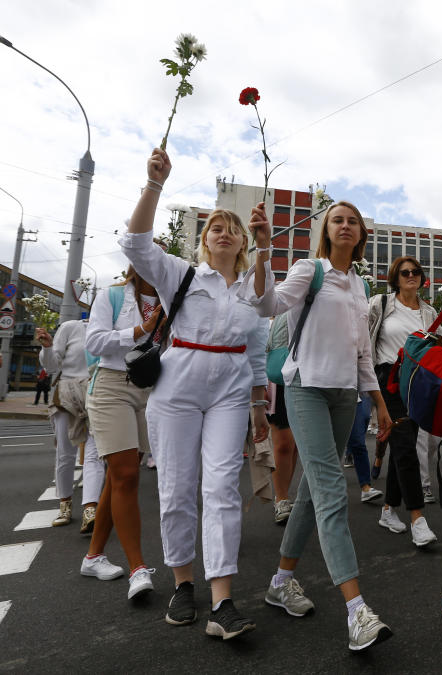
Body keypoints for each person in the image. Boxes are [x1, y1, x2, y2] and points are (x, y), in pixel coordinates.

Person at [120, 148, 269, 639]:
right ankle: (183, 582)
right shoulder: (180, 274)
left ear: (243, 241)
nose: (223, 232)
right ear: (204, 241)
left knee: (224, 487)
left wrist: (258, 405)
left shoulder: (251, 289)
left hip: (229, 389)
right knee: (178, 487)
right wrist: (155, 185)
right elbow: (137, 244)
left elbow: (253, 348)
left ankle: (222, 599)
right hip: (178, 386)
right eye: (214, 227)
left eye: (232, 227)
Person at [246, 198, 395, 651]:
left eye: (352, 221)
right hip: (307, 389)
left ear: (361, 233)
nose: (345, 226)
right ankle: (357, 611)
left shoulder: (361, 285)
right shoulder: (308, 269)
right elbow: (264, 304)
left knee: (312, 495)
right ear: (326, 230)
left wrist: (379, 401)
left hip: (345, 395)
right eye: (337, 220)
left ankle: (281, 581)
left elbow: (363, 353)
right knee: (332, 491)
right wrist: (262, 250)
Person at [82, 266, 162, 599]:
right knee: (127, 473)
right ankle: (138, 569)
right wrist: (141, 328)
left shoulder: (170, 299)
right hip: (112, 386)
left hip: (150, 388)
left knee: (121, 477)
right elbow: (95, 341)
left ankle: (93, 556)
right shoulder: (112, 296)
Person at [366, 255, 441, 545]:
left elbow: (438, 347)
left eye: (416, 272)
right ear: (395, 278)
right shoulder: (380, 304)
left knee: (403, 445)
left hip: (418, 383)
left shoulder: (429, 313)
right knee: (407, 448)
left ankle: (387, 509)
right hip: (389, 380)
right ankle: (417, 519)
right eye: (404, 272)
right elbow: (363, 341)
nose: (411, 275)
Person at [36, 322, 104, 532]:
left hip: (99, 393)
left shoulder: (115, 329)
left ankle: (90, 509)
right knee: (65, 454)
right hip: (67, 393)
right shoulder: (72, 327)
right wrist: (47, 347)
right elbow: (52, 367)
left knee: (95, 453)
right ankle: (64, 504)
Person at [265, 315, 300, 525]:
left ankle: (285, 495)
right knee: (284, 443)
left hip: (305, 374)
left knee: (294, 444)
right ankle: (281, 499)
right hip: (277, 379)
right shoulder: (276, 313)